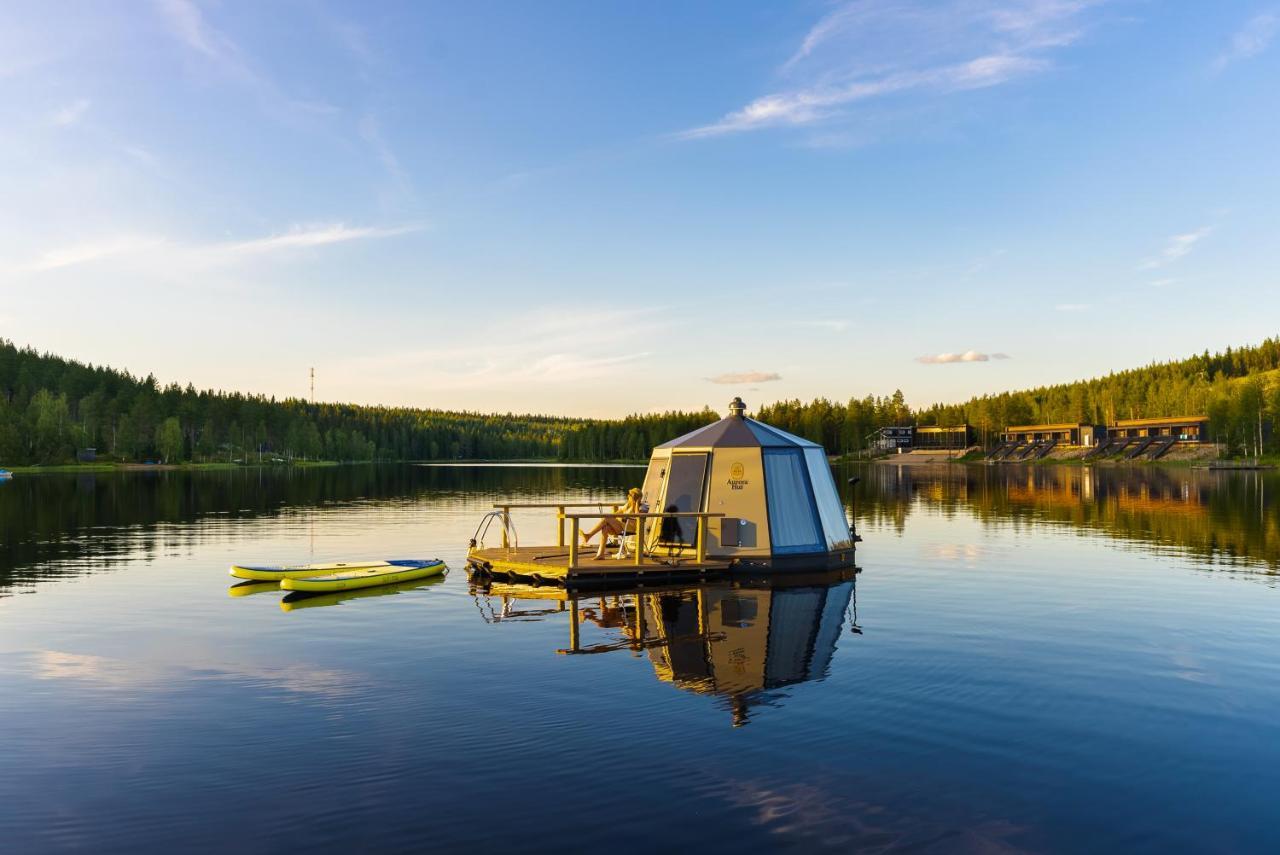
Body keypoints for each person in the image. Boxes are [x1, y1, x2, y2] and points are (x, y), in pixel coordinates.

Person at [581, 488, 643, 559]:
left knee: (606, 518)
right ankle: (601, 554)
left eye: (630, 495)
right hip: (622, 526)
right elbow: (615, 514)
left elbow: (638, 516)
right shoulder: (627, 505)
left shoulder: (643, 506)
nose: (628, 496)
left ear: (635, 497)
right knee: (605, 528)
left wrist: (637, 504)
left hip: (631, 528)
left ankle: (589, 536)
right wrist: (607, 521)